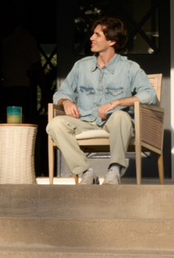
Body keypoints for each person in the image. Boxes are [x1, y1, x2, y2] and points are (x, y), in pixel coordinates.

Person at [46, 16, 157, 186]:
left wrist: (117, 102)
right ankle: (87, 172)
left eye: (97, 35)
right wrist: (66, 102)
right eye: (93, 34)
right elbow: (61, 93)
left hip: (115, 123)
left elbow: (149, 95)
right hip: (85, 121)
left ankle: (114, 170)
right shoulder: (81, 66)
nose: (91, 38)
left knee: (121, 117)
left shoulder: (129, 68)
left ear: (112, 41)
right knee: (54, 124)